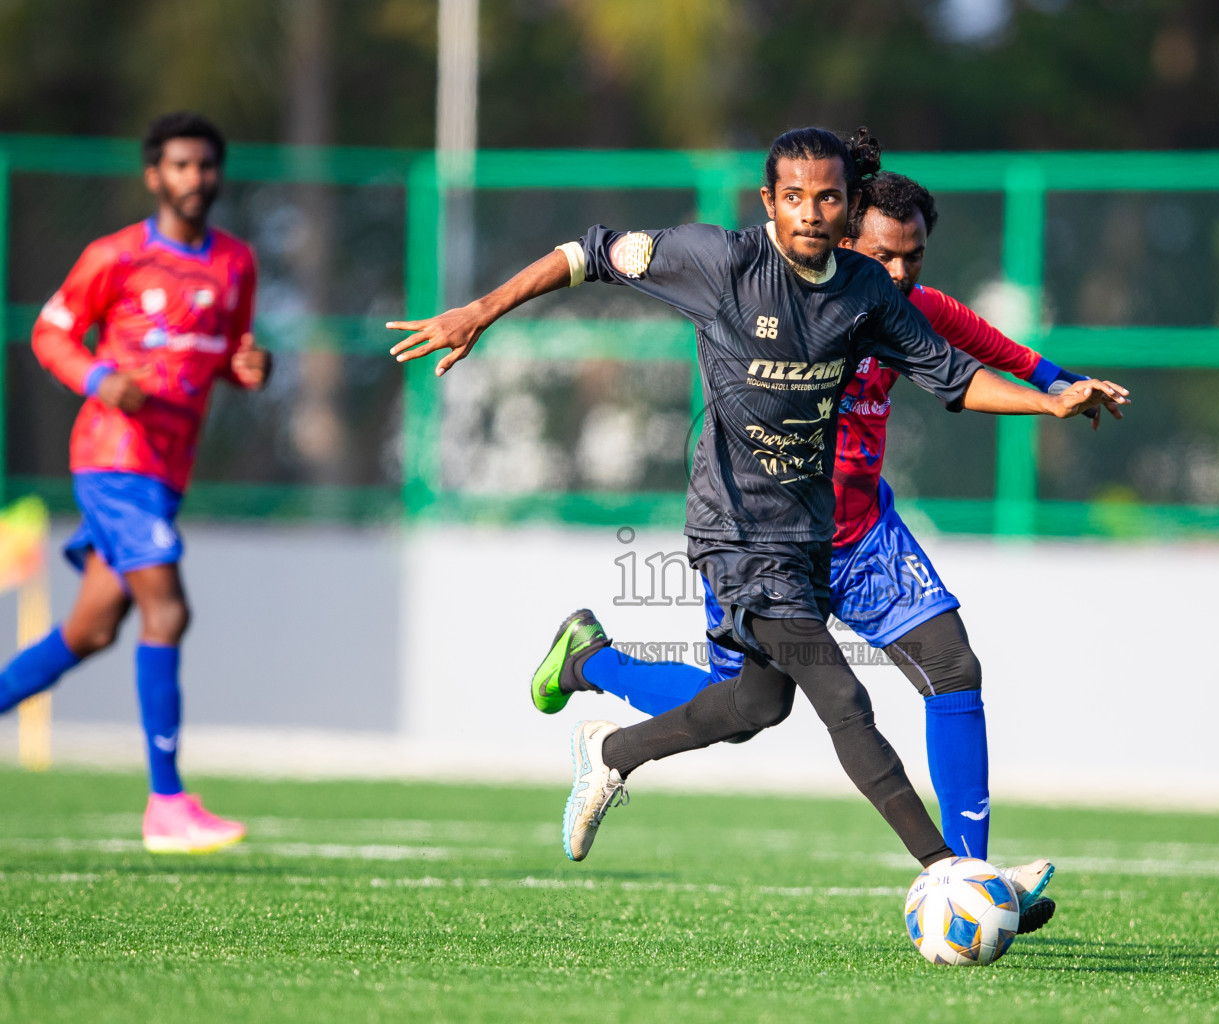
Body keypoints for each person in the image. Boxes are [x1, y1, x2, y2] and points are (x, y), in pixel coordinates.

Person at [389, 127, 1126, 880]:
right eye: (797, 198)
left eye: (828, 197)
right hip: (739, 536)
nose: (814, 213)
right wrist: (478, 311)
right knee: (839, 693)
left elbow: (964, 376)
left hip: (840, 532)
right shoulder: (722, 263)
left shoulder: (879, 299)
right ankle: (956, 873)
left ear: (846, 206)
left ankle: (605, 724)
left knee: (760, 705)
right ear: (771, 203)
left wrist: (1055, 400)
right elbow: (589, 253)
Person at [0, 112, 271, 853]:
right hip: (113, 457)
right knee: (169, 610)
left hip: (166, 467)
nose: (195, 179)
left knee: (89, 629)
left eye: (206, 166)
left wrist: (250, 370)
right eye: (180, 166)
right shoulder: (114, 256)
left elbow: (227, 352)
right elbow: (50, 331)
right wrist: (96, 376)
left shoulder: (236, 265)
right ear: (155, 175)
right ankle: (167, 802)